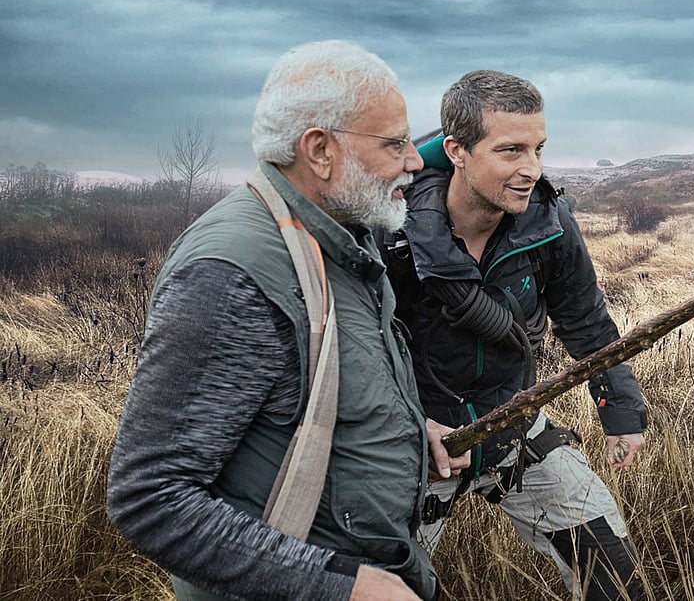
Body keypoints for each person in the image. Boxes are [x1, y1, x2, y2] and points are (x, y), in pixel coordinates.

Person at [107, 40, 466, 601]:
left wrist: (404, 433)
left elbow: (312, 393)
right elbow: (151, 498)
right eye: (395, 143)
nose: (414, 161)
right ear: (320, 150)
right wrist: (343, 587)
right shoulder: (234, 273)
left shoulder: (346, 235)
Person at [384, 70, 646, 600]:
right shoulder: (386, 231)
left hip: (514, 432)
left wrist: (618, 409)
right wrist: (412, 423)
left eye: (538, 149)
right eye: (510, 151)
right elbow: (346, 347)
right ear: (456, 150)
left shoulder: (549, 223)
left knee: (615, 584)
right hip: (413, 449)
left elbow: (586, 320)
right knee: (380, 590)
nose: (531, 169)